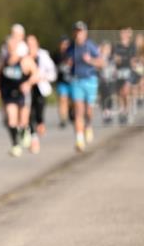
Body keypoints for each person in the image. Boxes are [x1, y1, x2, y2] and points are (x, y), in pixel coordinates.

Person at [63, 21, 104, 152]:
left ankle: (89, 125)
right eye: (76, 31)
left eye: (80, 31)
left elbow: (101, 63)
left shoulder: (90, 46)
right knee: (78, 110)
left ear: (85, 33)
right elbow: (66, 60)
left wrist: (90, 60)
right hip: (76, 81)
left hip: (90, 80)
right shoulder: (70, 47)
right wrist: (68, 62)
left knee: (88, 111)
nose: (78, 34)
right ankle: (79, 140)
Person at [0, 35, 39, 157]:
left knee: (23, 121)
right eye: (8, 46)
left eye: (13, 46)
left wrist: (28, 83)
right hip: (8, 94)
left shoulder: (25, 60)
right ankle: (15, 145)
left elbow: (36, 74)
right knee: (11, 120)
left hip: (22, 94)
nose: (11, 48)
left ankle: (25, 131)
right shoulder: (3, 61)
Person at [26, 34, 56, 155]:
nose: (30, 46)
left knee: (38, 113)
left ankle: (40, 123)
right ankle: (33, 139)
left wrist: (42, 77)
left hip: (40, 88)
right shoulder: (22, 56)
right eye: (28, 44)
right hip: (27, 89)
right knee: (29, 113)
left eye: (32, 44)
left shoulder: (43, 55)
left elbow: (52, 73)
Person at [112, 27, 136, 125]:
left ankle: (127, 110)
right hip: (119, 71)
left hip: (128, 70)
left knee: (126, 91)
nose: (122, 34)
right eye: (121, 33)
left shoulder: (131, 46)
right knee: (120, 93)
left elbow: (133, 59)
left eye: (124, 33)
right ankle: (122, 111)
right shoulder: (116, 46)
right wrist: (116, 60)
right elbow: (114, 58)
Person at [54, 37, 73, 128]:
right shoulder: (56, 55)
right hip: (61, 82)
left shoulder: (73, 54)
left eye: (66, 44)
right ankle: (63, 119)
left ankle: (70, 112)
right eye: (63, 44)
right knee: (62, 100)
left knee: (72, 101)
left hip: (72, 81)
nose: (64, 46)